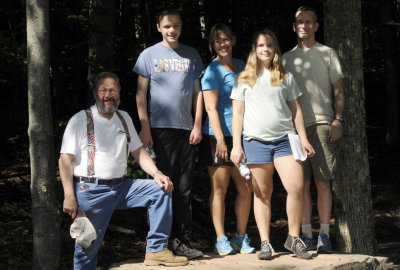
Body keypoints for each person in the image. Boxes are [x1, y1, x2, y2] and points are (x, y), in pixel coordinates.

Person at [59, 72, 189, 269]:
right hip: (92, 192)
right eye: (103, 90)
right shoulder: (81, 120)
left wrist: (156, 174)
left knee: (161, 189)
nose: (108, 95)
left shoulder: (124, 117)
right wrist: (69, 195)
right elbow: (64, 159)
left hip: (122, 188)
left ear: (119, 93)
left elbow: (138, 151)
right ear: (95, 93)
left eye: (112, 90)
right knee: (87, 247)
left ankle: (156, 250)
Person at [230, 29, 315, 260]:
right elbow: (237, 114)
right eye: (260, 46)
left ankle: (293, 238)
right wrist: (236, 146)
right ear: (254, 50)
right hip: (255, 142)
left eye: (269, 45)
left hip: (285, 141)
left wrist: (304, 138)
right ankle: (265, 243)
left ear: (274, 48)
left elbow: (296, 110)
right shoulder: (244, 78)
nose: (264, 49)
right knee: (262, 194)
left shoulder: (285, 77)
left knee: (296, 187)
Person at [133, 8, 204, 260]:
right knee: (162, 186)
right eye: (167, 26)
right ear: (159, 27)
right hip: (158, 131)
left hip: (186, 131)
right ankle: (158, 244)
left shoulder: (192, 55)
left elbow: (198, 93)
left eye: (175, 25)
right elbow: (141, 94)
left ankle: (182, 241)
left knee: (184, 189)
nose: (171, 30)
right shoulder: (148, 55)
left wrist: (197, 125)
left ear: (181, 26)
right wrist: (144, 126)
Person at [282, 6, 345, 254]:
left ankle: (324, 236)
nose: (304, 26)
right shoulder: (286, 59)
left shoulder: (328, 54)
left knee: (322, 182)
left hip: (321, 124)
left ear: (316, 26)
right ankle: (306, 234)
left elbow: (339, 89)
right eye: (300, 22)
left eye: (309, 22)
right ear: (294, 26)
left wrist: (338, 119)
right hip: (293, 130)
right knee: (301, 184)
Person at [199, 23, 254, 256]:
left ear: (232, 41)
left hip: (242, 136)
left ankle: (240, 237)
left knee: (246, 187)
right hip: (217, 136)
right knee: (219, 188)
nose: (222, 44)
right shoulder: (211, 71)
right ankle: (221, 238)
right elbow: (210, 108)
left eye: (225, 39)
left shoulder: (242, 66)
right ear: (213, 45)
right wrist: (221, 140)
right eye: (217, 41)